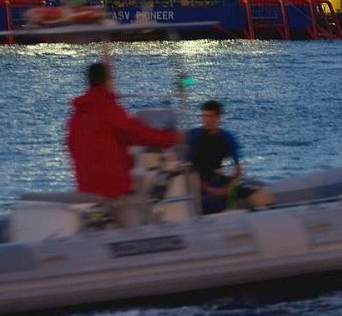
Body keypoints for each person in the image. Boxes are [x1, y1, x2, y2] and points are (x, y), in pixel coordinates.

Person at [66, 61, 183, 201]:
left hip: (86, 192)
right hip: (113, 191)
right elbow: (139, 134)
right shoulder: (109, 110)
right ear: (107, 81)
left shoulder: (76, 116)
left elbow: (72, 147)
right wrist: (172, 138)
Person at [187, 100, 272, 214]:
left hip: (217, 181)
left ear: (218, 117)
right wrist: (207, 188)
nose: (206, 120)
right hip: (198, 185)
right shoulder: (194, 136)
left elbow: (238, 169)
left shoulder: (226, 138)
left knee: (263, 197)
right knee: (211, 203)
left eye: (210, 116)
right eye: (204, 116)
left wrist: (226, 189)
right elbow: (190, 168)